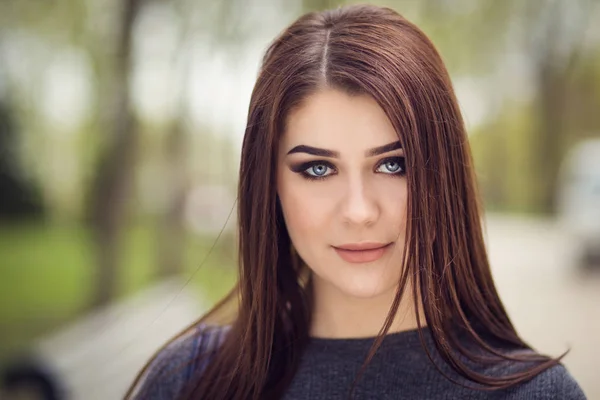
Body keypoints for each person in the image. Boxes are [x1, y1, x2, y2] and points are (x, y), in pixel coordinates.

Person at [126, 4, 586, 400]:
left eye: (393, 165)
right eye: (318, 169)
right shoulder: (191, 379)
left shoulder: (534, 395)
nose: (360, 211)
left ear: (442, 175)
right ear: (268, 187)